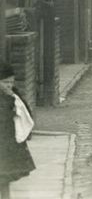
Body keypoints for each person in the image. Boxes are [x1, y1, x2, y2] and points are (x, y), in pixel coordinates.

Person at [0, 62, 35, 199]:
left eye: (11, 82)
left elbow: (26, 114)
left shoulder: (13, 95)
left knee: (5, 177)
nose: (9, 85)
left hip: (7, 142)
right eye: (5, 82)